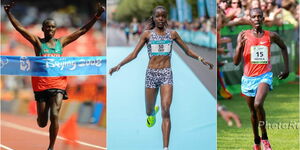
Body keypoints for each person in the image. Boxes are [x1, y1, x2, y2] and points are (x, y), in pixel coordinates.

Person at [109, 6, 213, 150]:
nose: (161, 19)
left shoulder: (173, 34)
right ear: (153, 17)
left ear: (166, 18)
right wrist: (119, 65)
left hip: (166, 74)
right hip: (151, 75)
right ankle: (152, 113)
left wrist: (202, 59)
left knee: (166, 109)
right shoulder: (147, 35)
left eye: (163, 16)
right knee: (148, 111)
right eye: (158, 16)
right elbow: (134, 54)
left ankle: (165, 147)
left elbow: (187, 51)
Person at [3, 2, 105, 150]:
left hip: (58, 84)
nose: (50, 29)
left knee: (55, 115)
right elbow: (20, 29)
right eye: (48, 27)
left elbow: (82, 31)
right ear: (43, 29)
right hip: (41, 85)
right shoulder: (38, 42)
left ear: (55, 29)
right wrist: (8, 13)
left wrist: (96, 16)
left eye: (53, 27)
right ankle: (42, 119)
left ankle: (51, 147)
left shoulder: (60, 43)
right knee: (42, 122)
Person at [233, 8, 289, 150]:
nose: (257, 19)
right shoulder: (243, 35)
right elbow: (235, 62)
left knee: (258, 104)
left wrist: (287, 68)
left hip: (264, 76)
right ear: (250, 20)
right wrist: (239, 46)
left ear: (263, 19)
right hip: (248, 79)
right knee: (252, 112)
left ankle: (265, 138)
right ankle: (256, 140)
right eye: (254, 17)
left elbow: (283, 47)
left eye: (259, 16)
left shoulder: (271, 36)